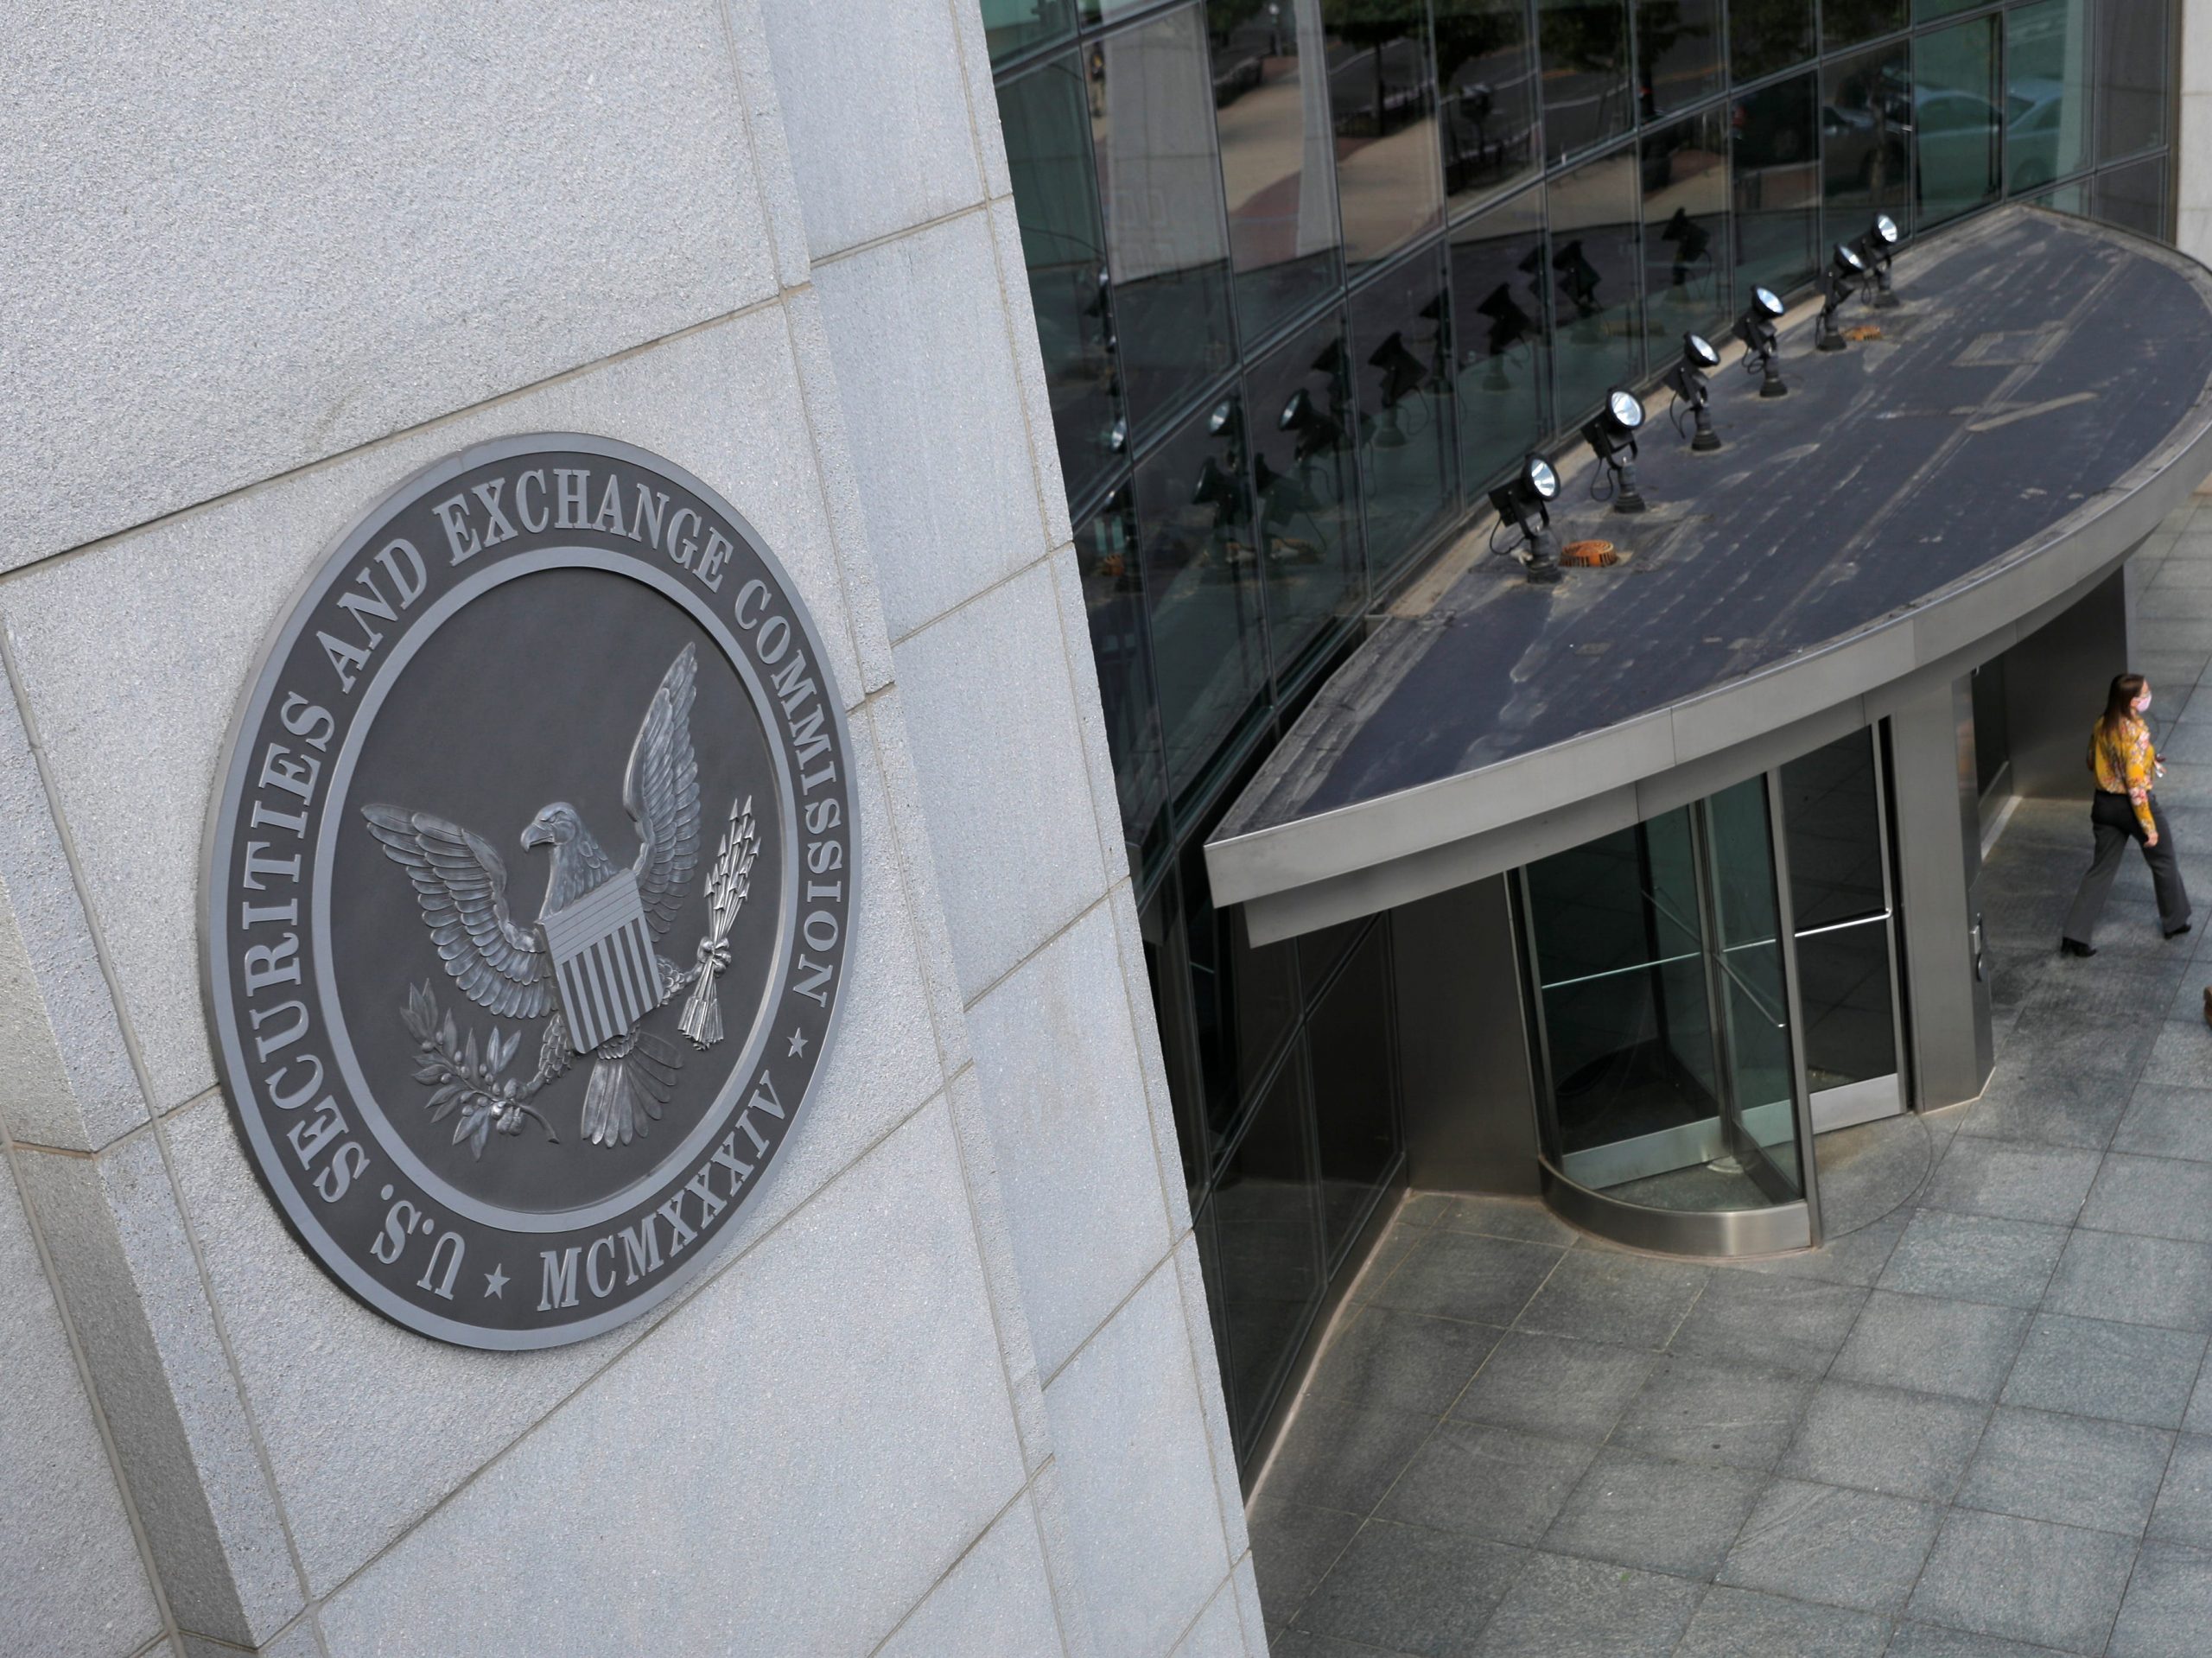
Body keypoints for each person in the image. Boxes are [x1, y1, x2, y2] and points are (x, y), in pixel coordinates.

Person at [2062, 672, 2190, 956]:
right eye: (2145, 693)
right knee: (2163, 858)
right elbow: (2136, 789)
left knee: (2101, 869)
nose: (2148, 695)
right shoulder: (2136, 734)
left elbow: (2090, 761)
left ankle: (2075, 934)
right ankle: (2175, 920)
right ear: (2133, 701)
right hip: (2133, 807)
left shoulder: (2102, 723)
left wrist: (2147, 759)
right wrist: (2149, 827)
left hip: (2103, 805)